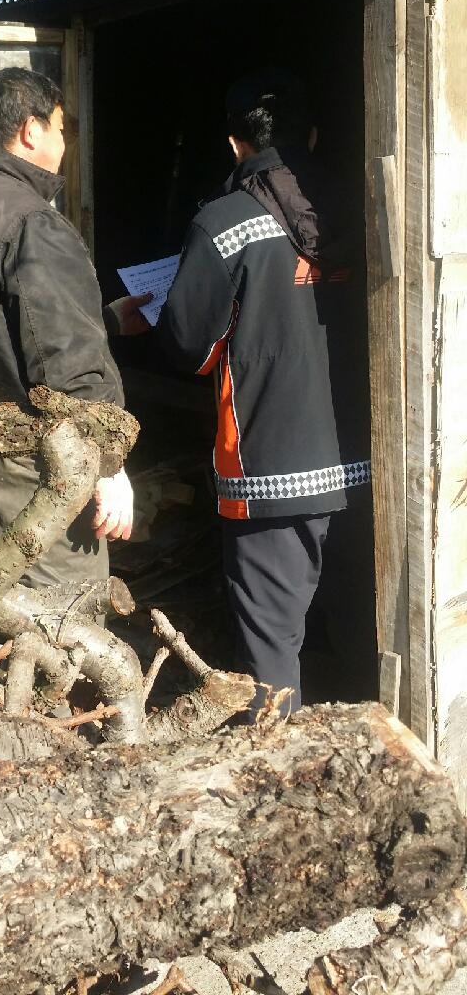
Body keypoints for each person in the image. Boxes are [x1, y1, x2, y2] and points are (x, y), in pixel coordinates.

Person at [156, 70, 372, 714]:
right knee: (364, 629)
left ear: (234, 144)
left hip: (269, 471)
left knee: (274, 646)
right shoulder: (370, 207)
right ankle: (380, 758)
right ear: (313, 134)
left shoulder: (224, 224)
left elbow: (189, 346)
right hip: (367, 462)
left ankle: (282, 761)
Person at [0, 66, 148, 590]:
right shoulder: (32, 221)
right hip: (34, 470)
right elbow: (67, 367)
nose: (64, 143)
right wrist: (107, 466)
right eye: (60, 129)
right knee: (63, 615)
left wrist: (107, 320)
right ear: (30, 130)